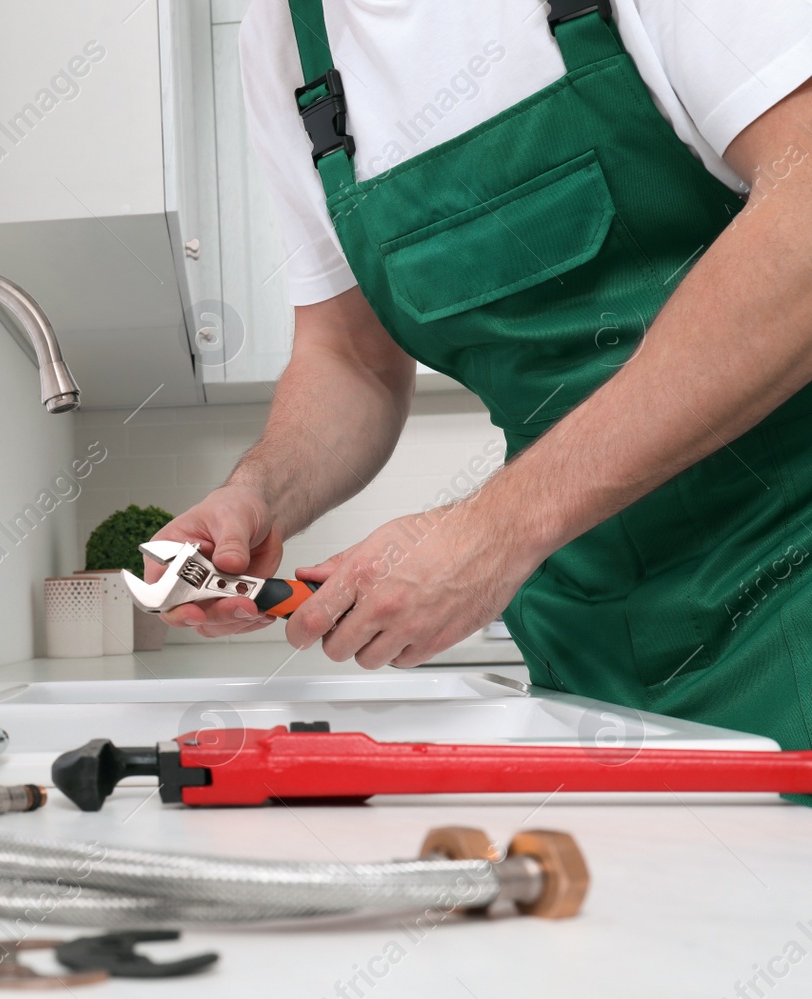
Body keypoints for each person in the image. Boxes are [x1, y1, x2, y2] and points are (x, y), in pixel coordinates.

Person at [151, 0, 812, 748]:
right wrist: (257, 492)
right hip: (588, 641)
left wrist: (493, 531)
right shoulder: (286, 41)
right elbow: (351, 355)